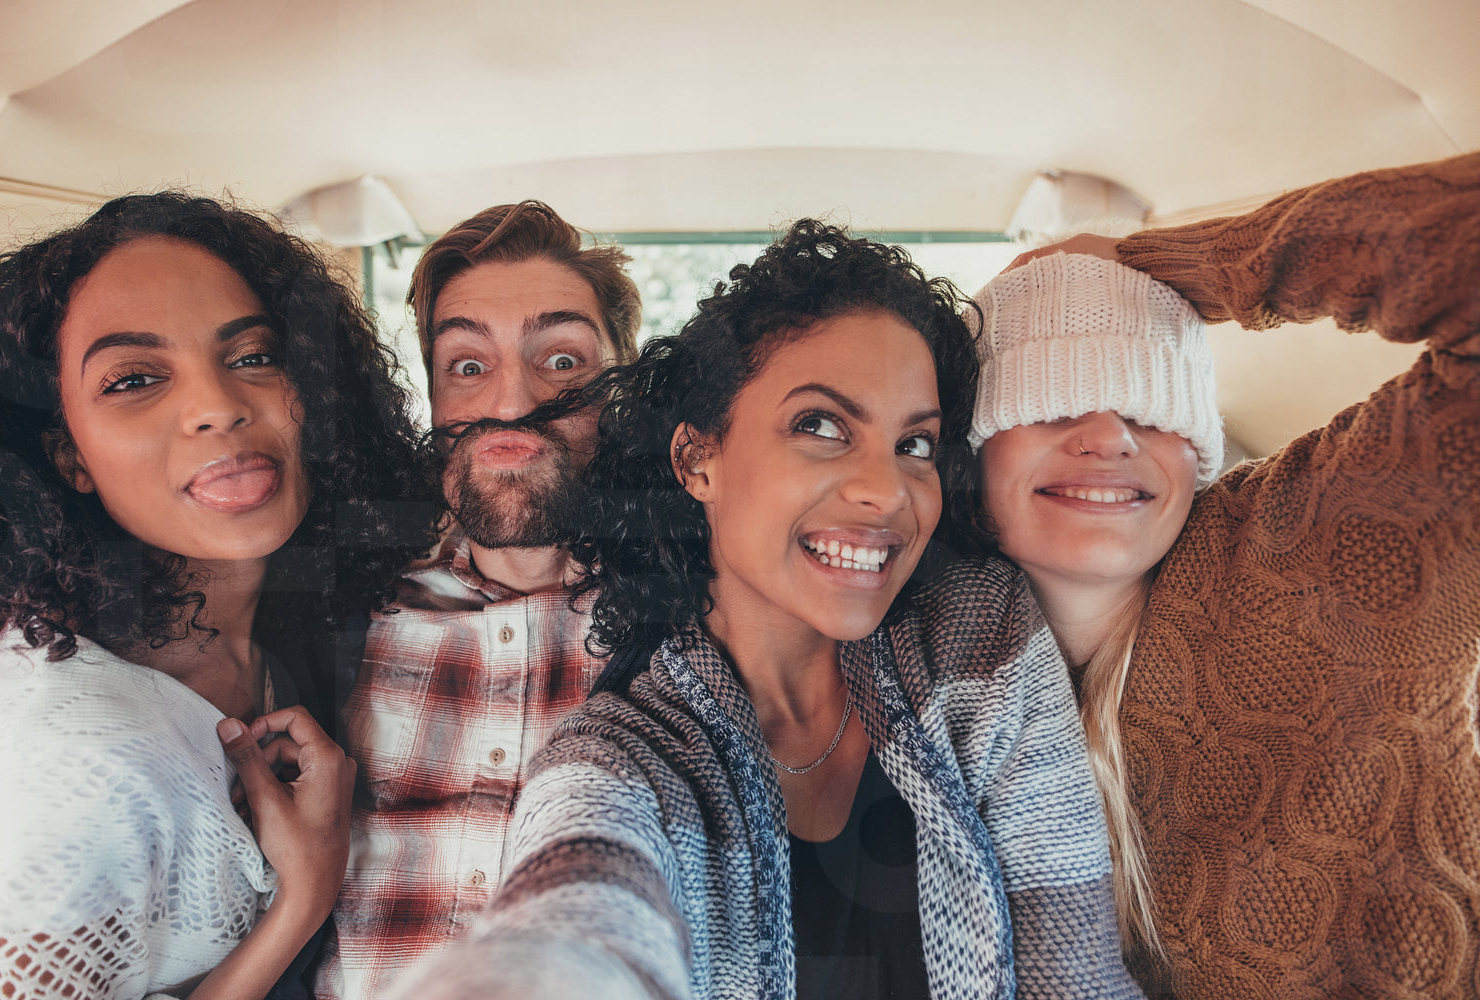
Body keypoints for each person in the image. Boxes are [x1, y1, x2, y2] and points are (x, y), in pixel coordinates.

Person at [389, 220, 1146, 1000]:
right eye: (819, 426)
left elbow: (1076, 966)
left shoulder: (978, 633)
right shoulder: (623, 753)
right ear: (697, 460)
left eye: (914, 445)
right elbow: (582, 905)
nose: (886, 492)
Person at [967, 153, 1480, 998]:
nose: (1110, 436)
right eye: (1053, 401)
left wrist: (1193, 264)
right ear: (972, 454)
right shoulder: (911, 673)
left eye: (1150, 406)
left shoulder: (1318, 542)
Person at [0, 192, 434, 1000]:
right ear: (67, 456)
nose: (219, 406)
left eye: (253, 356)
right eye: (133, 379)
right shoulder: (72, 754)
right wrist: (301, 899)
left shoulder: (292, 629)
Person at [314, 200, 642, 999]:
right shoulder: (337, 603)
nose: (511, 403)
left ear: (623, 387)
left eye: (561, 360)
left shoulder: (695, 624)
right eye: (467, 365)